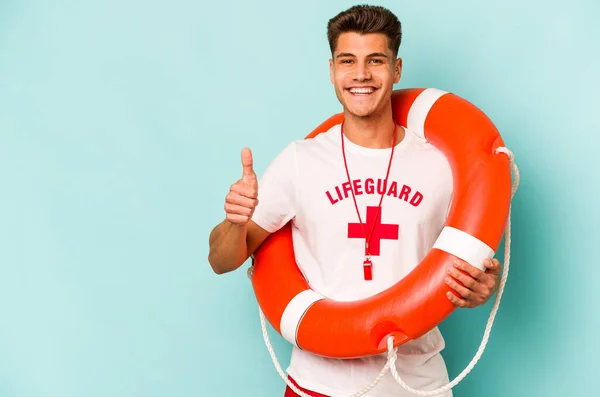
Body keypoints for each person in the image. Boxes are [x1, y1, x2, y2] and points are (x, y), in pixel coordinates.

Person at [207, 5, 502, 397]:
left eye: (375, 61)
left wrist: (478, 287)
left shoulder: (441, 167)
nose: (361, 75)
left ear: (396, 71)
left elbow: (457, 260)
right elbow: (221, 261)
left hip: (418, 386)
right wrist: (236, 221)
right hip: (318, 384)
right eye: (348, 61)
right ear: (332, 70)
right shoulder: (301, 159)